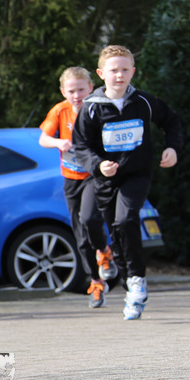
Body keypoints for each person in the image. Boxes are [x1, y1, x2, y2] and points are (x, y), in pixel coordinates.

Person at [71, 45, 182, 320]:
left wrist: (172, 147)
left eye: (124, 69)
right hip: (106, 179)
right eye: (113, 70)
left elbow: (171, 121)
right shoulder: (91, 108)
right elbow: (81, 146)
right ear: (101, 74)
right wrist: (98, 165)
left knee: (125, 220)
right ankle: (130, 284)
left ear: (133, 71)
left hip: (137, 175)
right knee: (114, 230)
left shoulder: (143, 102)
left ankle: (138, 279)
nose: (119, 75)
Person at [38, 66, 117, 309]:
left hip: (94, 174)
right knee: (81, 238)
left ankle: (103, 251)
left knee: (89, 218)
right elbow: (42, 138)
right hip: (71, 178)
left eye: (81, 90)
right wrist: (58, 142)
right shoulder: (60, 111)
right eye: (71, 91)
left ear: (91, 88)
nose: (77, 95)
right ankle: (95, 282)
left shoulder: (99, 109)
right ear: (63, 92)